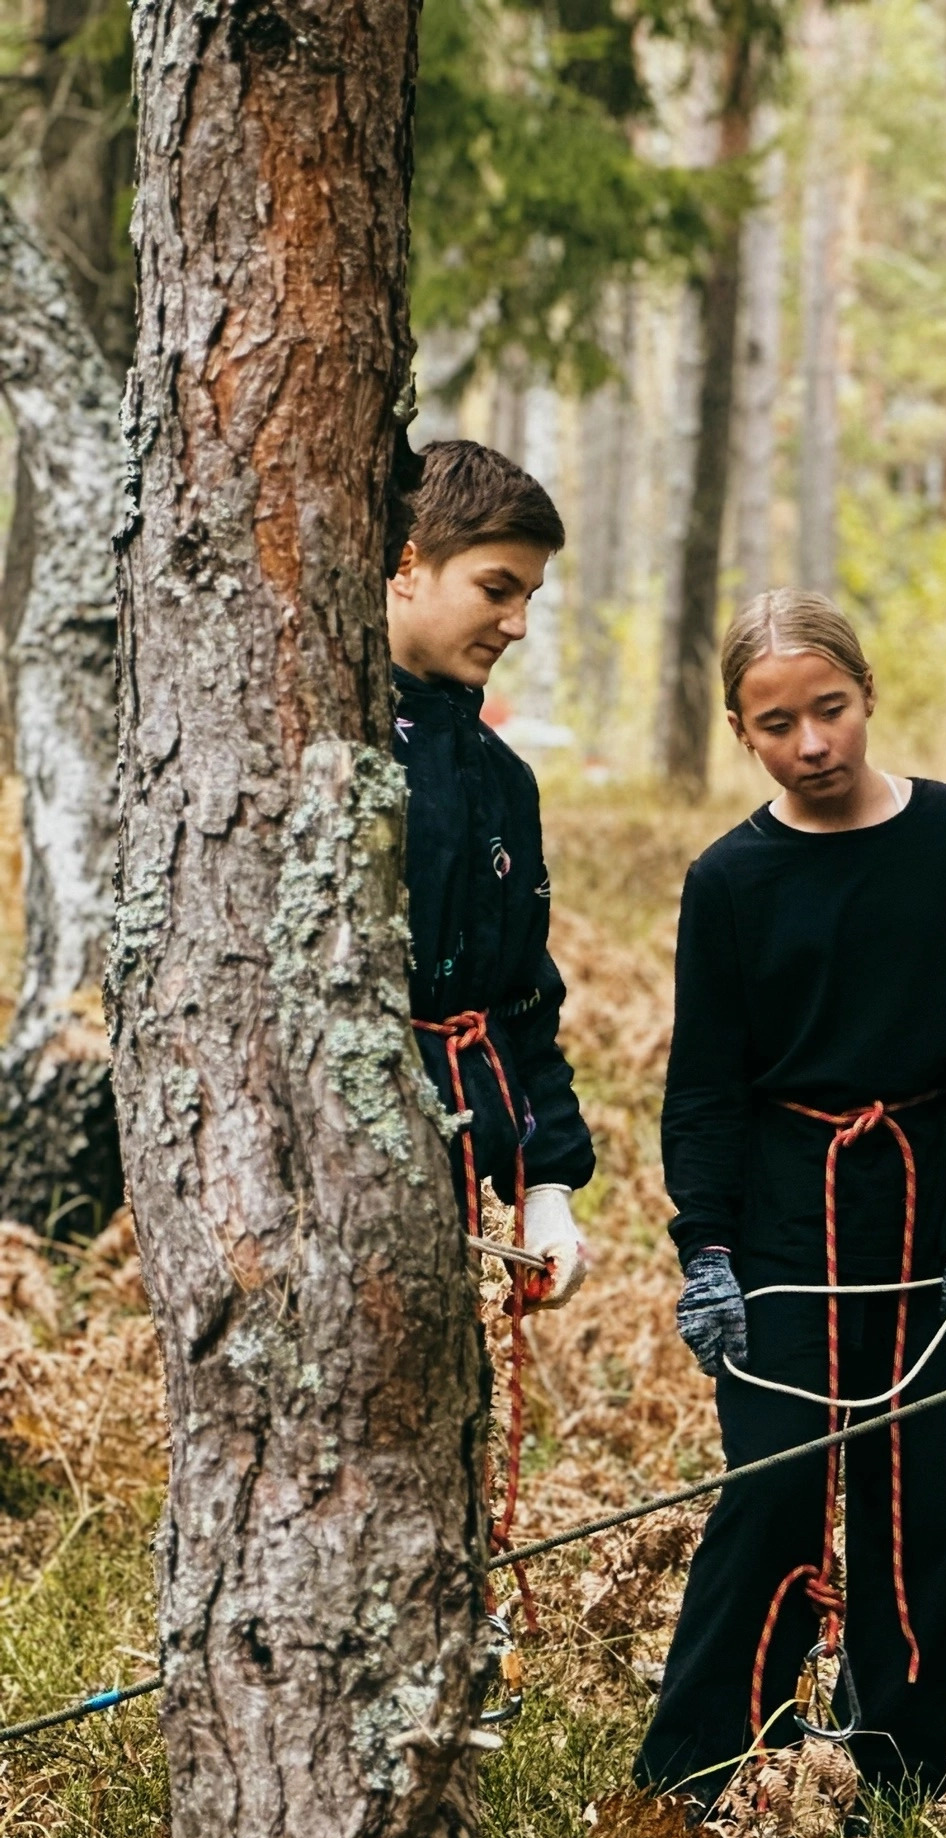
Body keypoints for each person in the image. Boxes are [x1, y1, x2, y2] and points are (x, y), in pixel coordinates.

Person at [637, 591, 946, 1813]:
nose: (811, 743)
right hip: (784, 1218)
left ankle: (895, 1776)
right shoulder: (729, 880)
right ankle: (708, 1771)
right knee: (773, 1490)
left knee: (920, 1502)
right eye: (776, 722)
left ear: (866, 697)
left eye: (829, 710)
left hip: (929, 1208)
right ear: (739, 731)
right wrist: (704, 1248)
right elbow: (703, 1082)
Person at [388, 439, 595, 1299]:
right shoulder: (322, 745)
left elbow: (521, 996)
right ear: (408, 564)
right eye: (495, 589)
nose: (517, 624)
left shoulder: (504, 779)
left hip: (464, 1195)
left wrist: (547, 1191)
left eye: (529, 597)